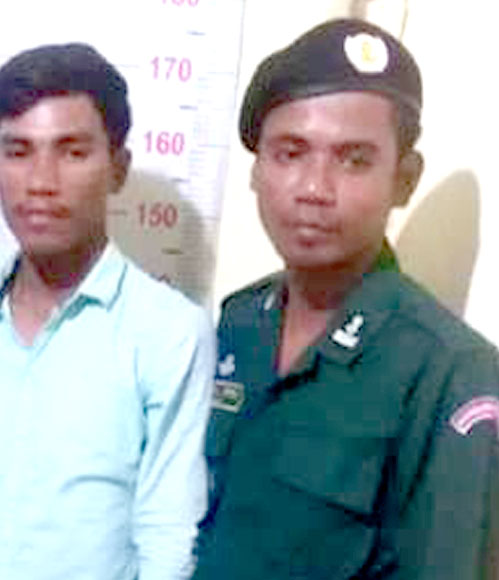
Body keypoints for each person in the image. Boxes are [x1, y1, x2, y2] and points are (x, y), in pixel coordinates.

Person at [194, 18, 499, 580]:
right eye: (290, 153)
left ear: (404, 180)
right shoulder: (241, 321)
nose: (314, 188)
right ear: (257, 171)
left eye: (354, 160)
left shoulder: (452, 372)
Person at [0, 43, 214, 580]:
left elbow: (167, 537)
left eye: (72, 152)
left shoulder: (169, 332)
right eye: (18, 151)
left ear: (118, 168)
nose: (41, 182)